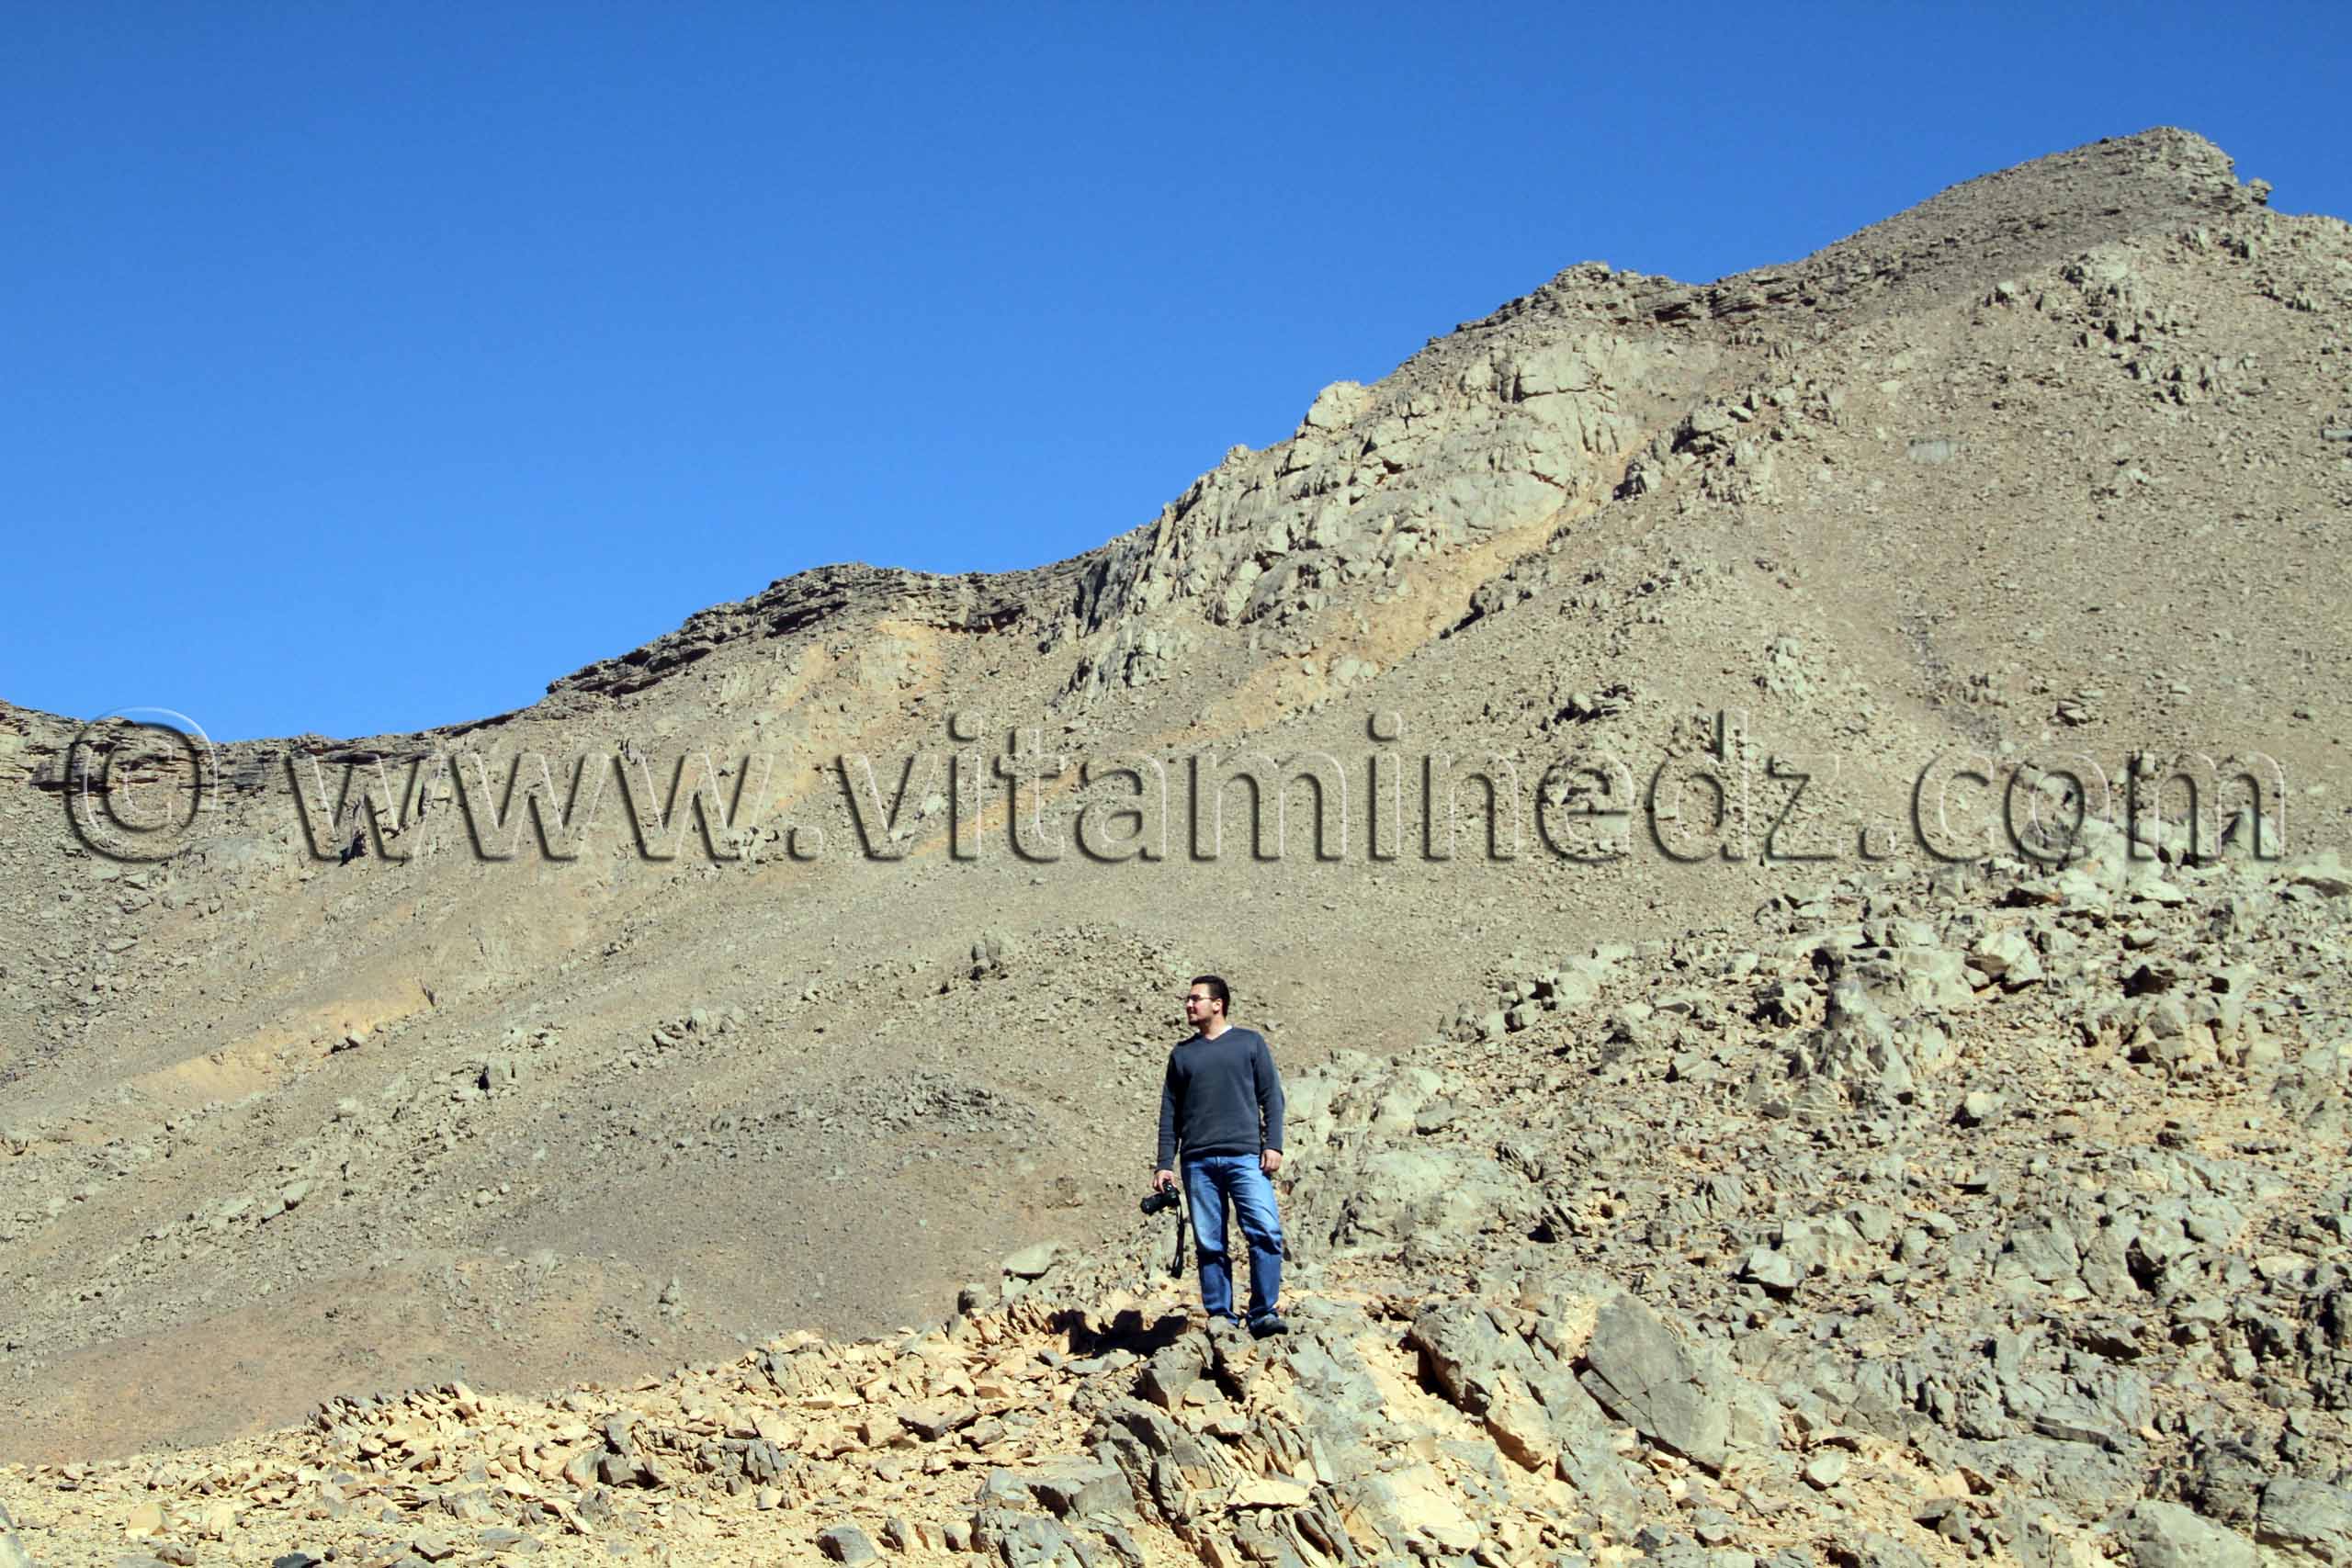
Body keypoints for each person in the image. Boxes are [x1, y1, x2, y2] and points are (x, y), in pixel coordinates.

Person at [1153, 974, 1287, 1338]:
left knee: (1265, 1232)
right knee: (1210, 1242)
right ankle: (1221, 1316)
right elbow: (1170, 1113)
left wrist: (1272, 1144)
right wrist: (1165, 1164)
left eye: (1195, 999)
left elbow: (1271, 1097)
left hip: (1246, 1158)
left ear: (1218, 1003)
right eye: (1188, 999)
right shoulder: (1182, 1054)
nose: (1188, 1005)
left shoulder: (1249, 1043)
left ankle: (1263, 1312)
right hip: (1197, 1162)